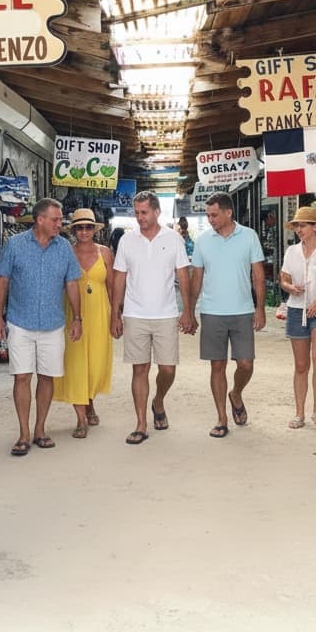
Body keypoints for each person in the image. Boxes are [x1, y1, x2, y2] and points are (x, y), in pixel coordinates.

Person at [0, 198, 83, 457]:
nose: (60, 223)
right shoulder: (15, 245)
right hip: (20, 322)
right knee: (22, 376)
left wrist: (78, 318)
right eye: (55, 219)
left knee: (47, 377)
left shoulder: (64, 247)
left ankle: (40, 429)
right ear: (40, 219)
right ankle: (23, 433)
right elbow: (2, 281)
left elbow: (72, 284)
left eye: (60, 219)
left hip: (53, 324)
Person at [110, 191, 195, 446]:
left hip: (166, 313)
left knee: (168, 368)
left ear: (157, 212)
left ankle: (158, 401)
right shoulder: (127, 240)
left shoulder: (173, 239)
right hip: (135, 314)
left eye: (144, 212)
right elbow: (119, 278)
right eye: (136, 213)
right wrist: (115, 313)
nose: (139, 218)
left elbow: (183, 275)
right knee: (140, 368)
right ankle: (141, 423)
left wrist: (188, 310)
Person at [190, 191, 265, 438]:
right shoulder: (202, 241)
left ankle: (236, 393)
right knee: (217, 365)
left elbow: (258, 275)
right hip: (212, 312)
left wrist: (260, 307)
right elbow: (197, 277)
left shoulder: (249, 236)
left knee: (246, 363)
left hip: (243, 311)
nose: (210, 219)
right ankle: (222, 419)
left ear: (228, 212)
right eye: (208, 215)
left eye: (214, 214)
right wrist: (190, 310)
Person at [53, 208, 114, 438]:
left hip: (99, 313)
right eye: (80, 227)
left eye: (88, 227)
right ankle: (80, 418)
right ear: (74, 230)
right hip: (73, 313)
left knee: (95, 364)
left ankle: (89, 401)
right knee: (76, 364)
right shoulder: (66, 252)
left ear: (94, 230)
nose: (84, 231)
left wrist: (116, 315)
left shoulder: (105, 253)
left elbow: (111, 286)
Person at [279, 206, 316, 429]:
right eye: (296, 225)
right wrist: (289, 287)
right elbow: (283, 277)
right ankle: (299, 412)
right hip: (296, 308)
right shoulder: (291, 251)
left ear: (315, 226)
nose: (298, 229)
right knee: (301, 364)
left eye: (303, 225)